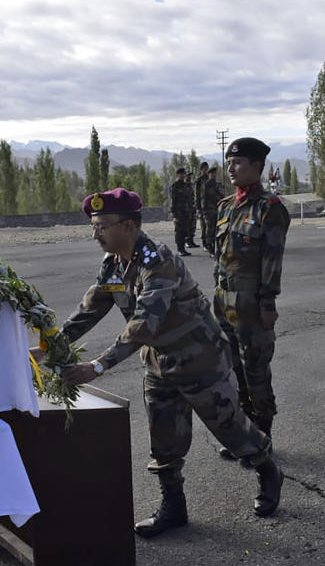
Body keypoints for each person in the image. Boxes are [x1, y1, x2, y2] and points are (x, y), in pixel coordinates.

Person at [52, 187, 283, 538]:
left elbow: (143, 325)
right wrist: (50, 346)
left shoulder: (159, 264)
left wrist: (97, 367)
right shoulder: (114, 265)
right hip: (159, 363)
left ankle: (268, 470)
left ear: (129, 226)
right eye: (93, 226)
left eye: (103, 225)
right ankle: (173, 507)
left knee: (231, 430)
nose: (95, 233)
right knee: (163, 438)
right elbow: (89, 309)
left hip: (200, 362)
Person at [214, 137, 290, 461]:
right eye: (229, 163)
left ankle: (263, 435)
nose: (231, 168)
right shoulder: (226, 206)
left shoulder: (269, 209)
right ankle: (245, 434)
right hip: (224, 300)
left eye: (239, 163)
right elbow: (219, 255)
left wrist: (267, 303)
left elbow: (272, 261)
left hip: (251, 301)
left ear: (257, 167)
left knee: (256, 369)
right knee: (234, 370)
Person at [169, 168, 193, 256]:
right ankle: (180, 249)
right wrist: (173, 212)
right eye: (182, 174)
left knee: (184, 231)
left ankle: (183, 248)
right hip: (178, 212)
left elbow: (189, 199)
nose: (183, 175)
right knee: (179, 231)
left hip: (186, 211)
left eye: (184, 174)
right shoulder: (175, 185)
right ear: (178, 175)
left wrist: (190, 209)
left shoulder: (185, 185)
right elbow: (173, 199)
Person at [200, 167, 223, 256]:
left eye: (215, 173)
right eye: (212, 173)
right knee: (209, 230)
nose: (214, 175)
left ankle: (216, 247)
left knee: (217, 230)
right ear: (209, 174)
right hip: (209, 211)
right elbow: (203, 199)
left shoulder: (217, 185)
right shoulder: (205, 185)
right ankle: (210, 248)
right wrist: (204, 211)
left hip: (217, 210)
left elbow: (222, 197)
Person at [193, 162, 210, 249]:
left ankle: (209, 242)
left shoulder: (209, 178)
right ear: (201, 169)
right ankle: (204, 243)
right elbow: (197, 193)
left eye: (206, 168)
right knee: (203, 225)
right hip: (202, 206)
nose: (205, 170)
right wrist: (198, 206)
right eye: (204, 168)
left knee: (209, 226)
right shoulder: (199, 180)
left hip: (209, 206)